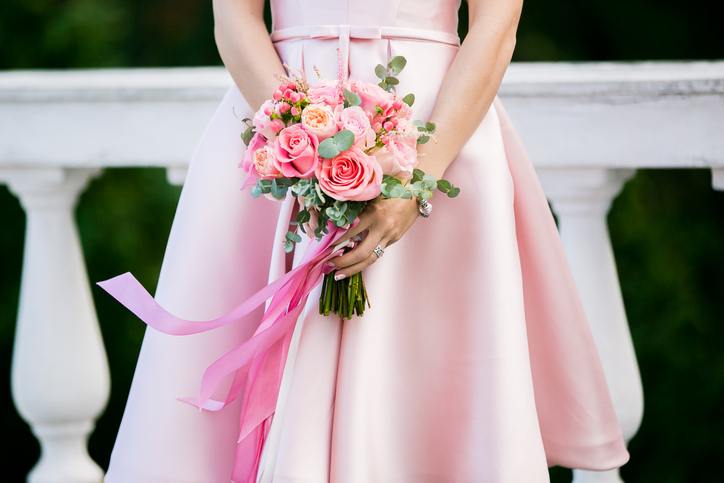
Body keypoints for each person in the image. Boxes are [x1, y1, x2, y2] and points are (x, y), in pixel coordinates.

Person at [102, 0, 630, 482]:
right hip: (276, 119)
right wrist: (301, 143)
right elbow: (234, 19)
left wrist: (419, 178)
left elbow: (496, 25)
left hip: (433, 124)